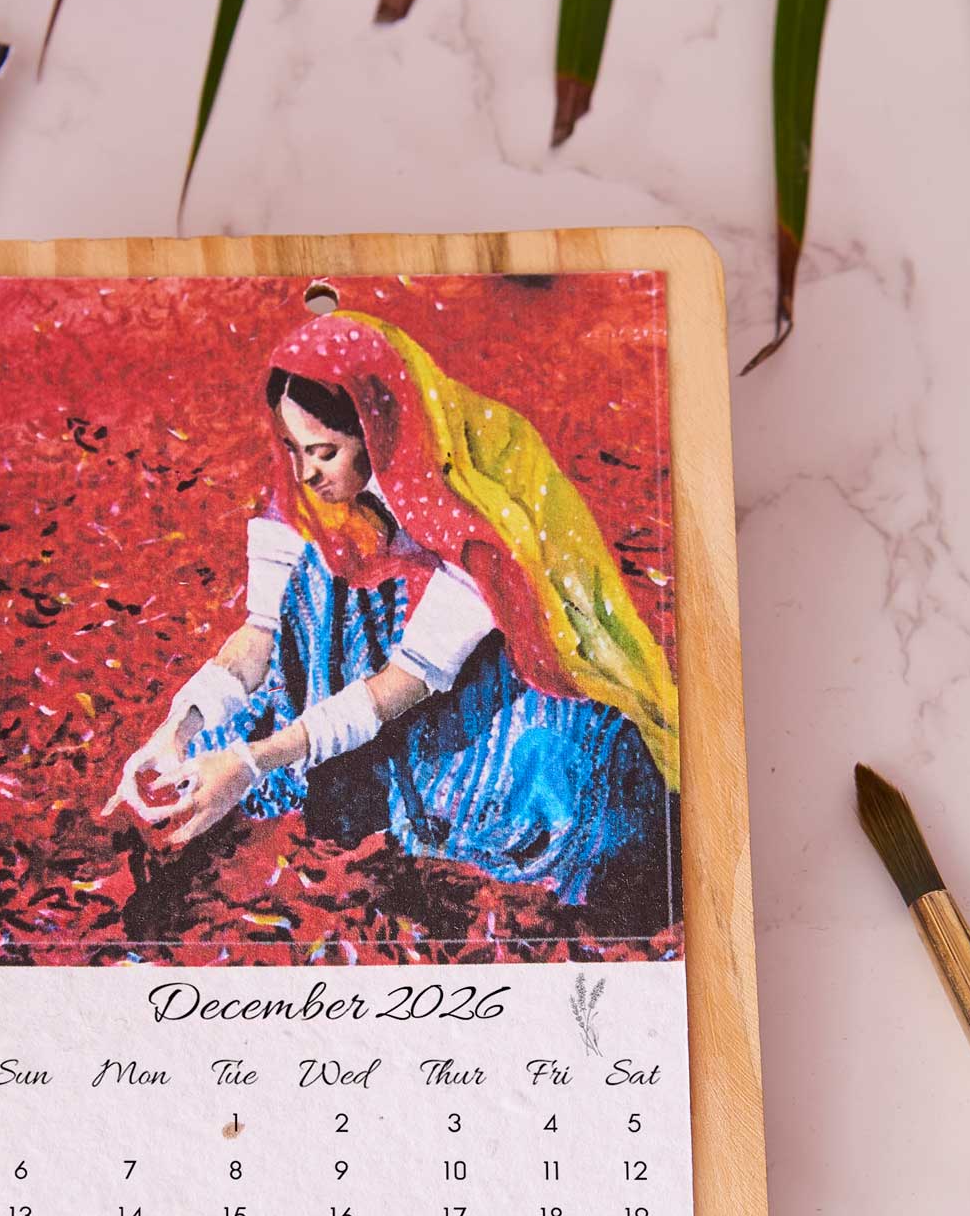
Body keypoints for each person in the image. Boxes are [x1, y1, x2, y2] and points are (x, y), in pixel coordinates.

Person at [105, 298, 680, 924]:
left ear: (376, 434)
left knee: (555, 808)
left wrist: (251, 762)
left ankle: (378, 787)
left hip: (482, 686)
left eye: (323, 452)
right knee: (315, 570)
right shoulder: (310, 492)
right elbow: (259, 634)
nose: (304, 473)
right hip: (362, 678)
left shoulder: (471, 501)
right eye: (292, 448)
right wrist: (178, 727)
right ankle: (321, 771)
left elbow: (402, 683)